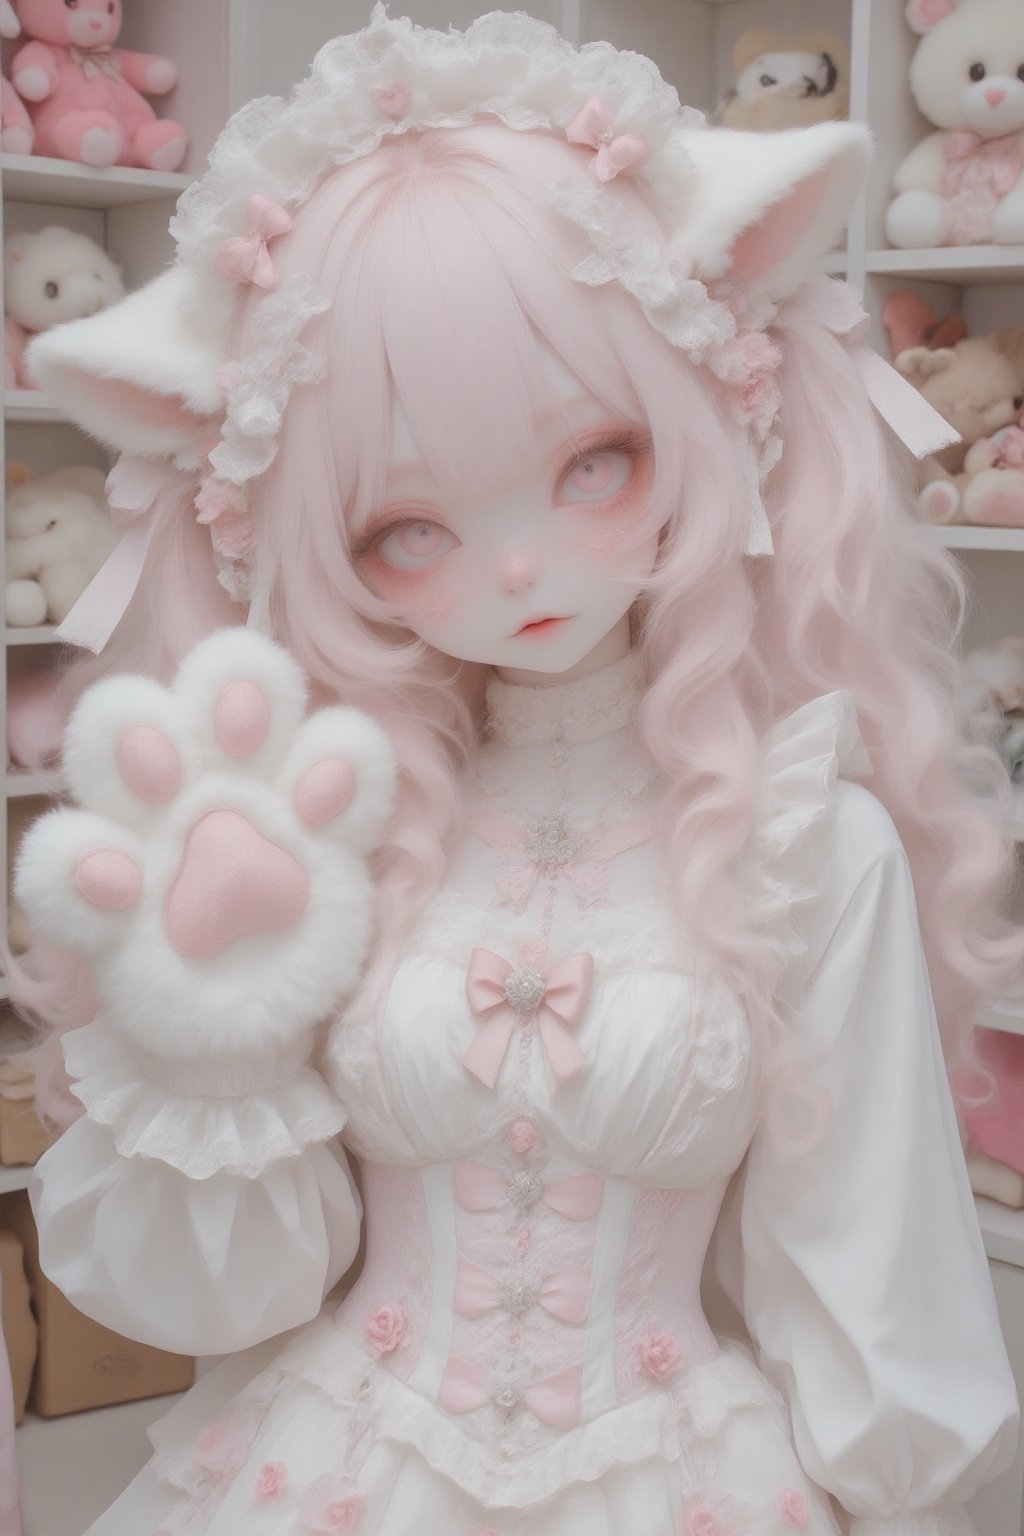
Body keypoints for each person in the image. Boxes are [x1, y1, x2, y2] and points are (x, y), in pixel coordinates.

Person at [8, 8, 1021, 1534]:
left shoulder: (806, 836)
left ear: (713, 410)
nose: (521, 567)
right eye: (407, 526)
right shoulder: (335, 826)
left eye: (595, 460)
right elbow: (231, 1292)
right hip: (334, 1465)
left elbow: (870, 1274)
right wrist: (212, 1036)